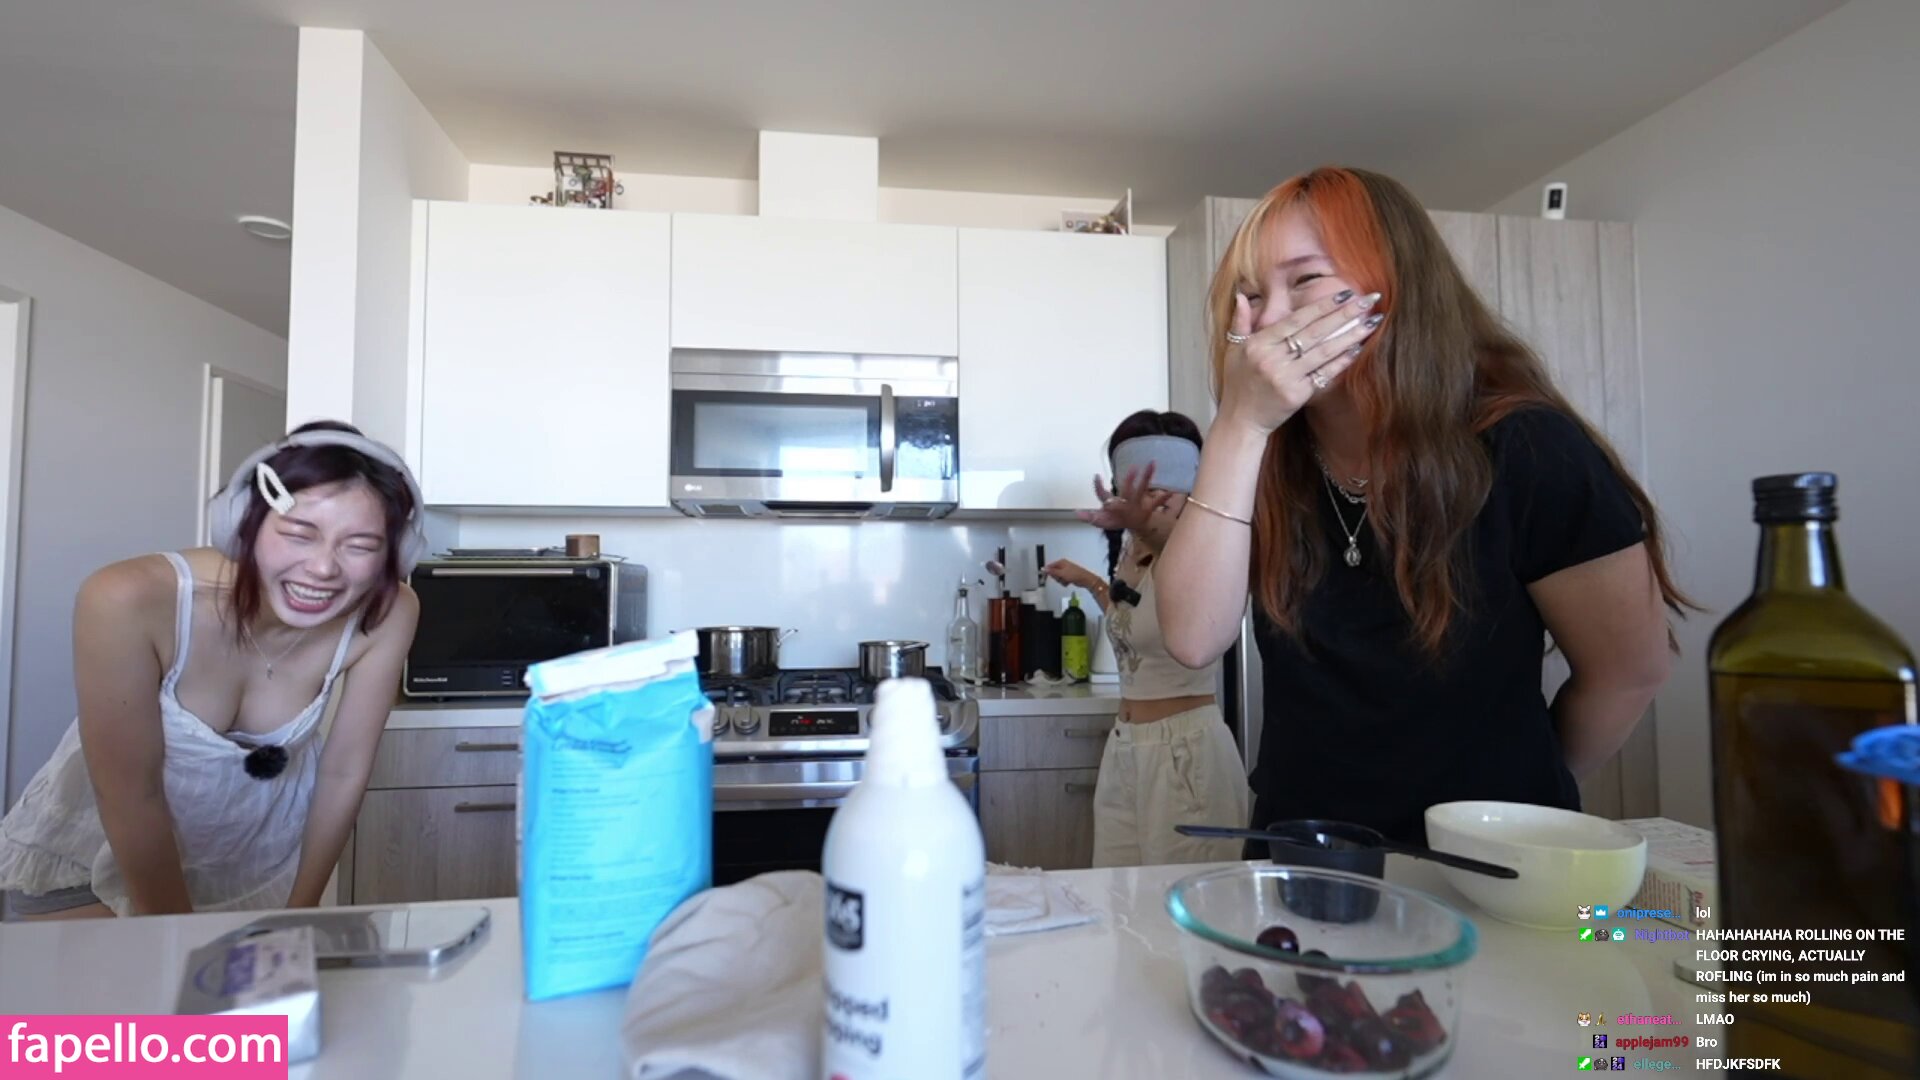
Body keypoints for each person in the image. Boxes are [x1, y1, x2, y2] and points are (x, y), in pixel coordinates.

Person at [1151, 166, 1691, 846]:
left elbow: (1629, 673)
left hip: (1486, 868)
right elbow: (1192, 639)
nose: (1270, 322)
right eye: (1251, 297)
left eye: (1306, 280)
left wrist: (1521, 803)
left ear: (1398, 287)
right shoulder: (1259, 454)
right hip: (1303, 859)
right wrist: (1239, 424)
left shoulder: (1527, 446)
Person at [0, 421, 425, 917]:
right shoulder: (125, 599)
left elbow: (343, 772)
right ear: (243, 523)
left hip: (249, 873)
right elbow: (131, 792)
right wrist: (172, 936)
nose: (323, 568)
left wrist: (301, 911)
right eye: (298, 534)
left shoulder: (389, 612)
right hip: (92, 866)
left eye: (361, 546)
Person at [1043, 410, 1250, 867]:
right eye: (1142, 489)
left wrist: (1143, 528)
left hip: (1186, 756)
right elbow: (1135, 621)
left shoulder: (1202, 550)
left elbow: (1178, 587)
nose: (1153, 501)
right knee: (1116, 894)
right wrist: (1091, 582)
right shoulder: (1133, 550)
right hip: (1126, 746)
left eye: (1164, 489)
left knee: (1179, 902)